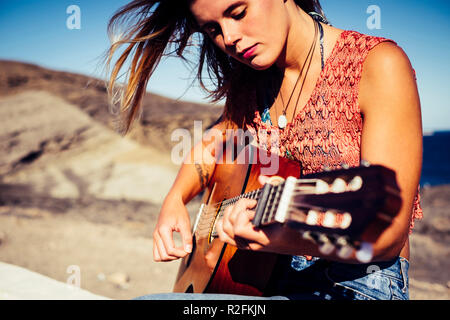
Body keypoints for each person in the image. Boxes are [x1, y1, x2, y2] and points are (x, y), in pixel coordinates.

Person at [105, 0, 423, 300]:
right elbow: (218, 139)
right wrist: (175, 198)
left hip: (355, 285)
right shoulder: (252, 81)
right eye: (213, 29)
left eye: (238, 12)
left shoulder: (375, 63)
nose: (229, 38)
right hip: (270, 279)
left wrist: (278, 237)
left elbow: (387, 234)